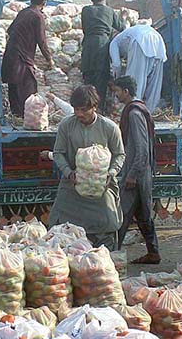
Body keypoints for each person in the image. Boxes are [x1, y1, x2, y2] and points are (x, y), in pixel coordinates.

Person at [49, 85, 125, 249]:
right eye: (76, 109)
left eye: (83, 109)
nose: (79, 114)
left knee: (108, 223)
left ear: (94, 107)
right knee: (59, 225)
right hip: (72, 186)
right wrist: (69, 173)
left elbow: (120, 155)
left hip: (101, 187)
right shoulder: (66, 126)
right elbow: (58, 153)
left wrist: (110, 173)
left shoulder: (109, 127)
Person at [111, 76, 160, 264]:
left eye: (117, 91)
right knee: (143, 213)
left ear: (126, 91)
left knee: (122, 214)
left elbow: (141, 148)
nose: (116, 96)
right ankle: (153, 252)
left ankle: (112, 254)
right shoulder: (135, 110)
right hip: (138, 171)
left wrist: (132, 174)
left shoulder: (134, 113)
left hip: (137, 173)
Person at [1, 0, 55, 117]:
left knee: (13, 89)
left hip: (11, 56)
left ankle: (17, 116)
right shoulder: (38, 16)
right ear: (44, 3)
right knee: (28, 90)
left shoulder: (23, 12)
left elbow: (9, 30)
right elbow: (41, 40)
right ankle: (27, 118)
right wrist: (50, 60)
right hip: (22, 60)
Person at [110, 20, 168, 112]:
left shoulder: (114, 42)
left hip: (140, 41)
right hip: (159, 42)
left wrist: (116, 77)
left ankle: (132, 111)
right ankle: (149, 113)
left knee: (135, 83)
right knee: (154, 86)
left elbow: (116, 65)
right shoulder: (129, 32)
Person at [81, 0, 123, 110]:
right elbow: (121, 27)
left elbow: (84, 28)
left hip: (88, 45)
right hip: (103, 45)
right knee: (101, 78)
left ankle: (87, 107)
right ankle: (99, 109)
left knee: (88, 76)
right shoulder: (109, 11)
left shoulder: (86, 10)